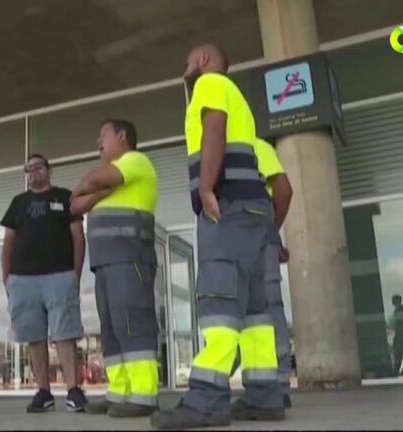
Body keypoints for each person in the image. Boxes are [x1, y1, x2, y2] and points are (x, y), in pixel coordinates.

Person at [152, 44, 284, 429]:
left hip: (226, 206)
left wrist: (207, 187)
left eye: (187, 62)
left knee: (219, 298)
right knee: (255, 310)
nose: (185, 71)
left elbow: (214, 127)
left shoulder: (210, 84)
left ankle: (207, 399)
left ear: (205, 61)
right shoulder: (238, 97)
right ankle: (264, 395)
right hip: (255, 208)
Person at [70, 119, 159, 418]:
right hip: (105, 263)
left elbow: (92, 181)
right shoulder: (113, 176)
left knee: (134, 323)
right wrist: (100, 190)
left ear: (122, 137)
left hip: (130, 257)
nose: (98, 143)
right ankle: (119, 392)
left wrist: (94, 185)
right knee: (111, 329)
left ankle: (144, 395)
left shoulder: (135, 160)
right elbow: (74, 204)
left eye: (103, 135)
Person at [0, 154, 89, 413]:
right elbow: (8, 243)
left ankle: (73, 391)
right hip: (23, 281)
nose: (32, 172)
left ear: (49, 171)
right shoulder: (19, 202)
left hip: (60, 276)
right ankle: (43, 392)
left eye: (37, 167)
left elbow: (78, 238)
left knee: (65, 333)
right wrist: (8, 279)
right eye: (28, 169)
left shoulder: (64, 197)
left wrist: (75, 274)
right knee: (33, 337)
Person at [229, 138, 294, 408]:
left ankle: (277, 383)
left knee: (267, 306)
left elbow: (283, 190)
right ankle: (259, 384)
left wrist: (270, 230)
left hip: (256, 238)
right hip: (235, 240)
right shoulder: (220, 149)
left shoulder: (254, 145)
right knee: (245, 311)